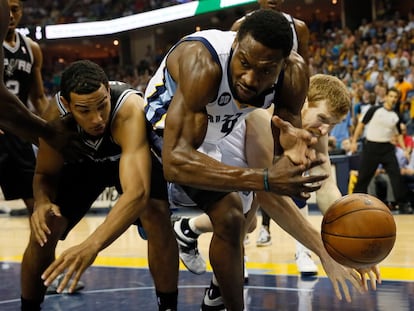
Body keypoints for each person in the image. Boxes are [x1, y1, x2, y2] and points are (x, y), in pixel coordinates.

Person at [145, 10, 376, 310]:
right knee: (233, 215)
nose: (251, 79)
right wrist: (323, 251)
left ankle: (212, 277)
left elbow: (315, 187)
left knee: (245, 222)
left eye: (266, 70)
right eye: (244, 63)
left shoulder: (294, 88)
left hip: (220, 128)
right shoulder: (215, 75)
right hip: (168, 129)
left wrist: (346, 245)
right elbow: (179, 163)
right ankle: (192, 259)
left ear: (283, 66)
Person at [172, 74, 361, 286]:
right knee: (238, 220)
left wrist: (351, 238)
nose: (325, 130)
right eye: (324, 119)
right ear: (304, 101)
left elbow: (326, 185)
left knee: (249, 223)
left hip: (254, 173)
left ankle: (187, 229)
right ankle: (220, 285)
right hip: (210, 156)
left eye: (333, 125)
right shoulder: (265, 114)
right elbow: (267, 194)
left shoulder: (317, 131)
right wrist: (325, 252)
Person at [20, 60, 178, 311]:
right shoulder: (54, 115)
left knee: (156, 214)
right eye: (84, 110)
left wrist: (92, 244)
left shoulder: (128, 109)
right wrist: (42, 201)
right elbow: (44, 174)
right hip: (81, 165)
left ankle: (168, 307)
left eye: (102, 105)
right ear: (67, 105)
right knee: (44, 229)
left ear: (107, 91)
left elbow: (137, 193)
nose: (97, 119)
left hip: (125, 161)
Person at [0, 0, 88, 159]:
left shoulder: (31, 48)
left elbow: (39, 97)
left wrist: (54, 125)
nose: (10, 16)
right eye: (7, 11)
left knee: (27, 181)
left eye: (14, 10)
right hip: (4, 121)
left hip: (22, 125)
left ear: (22, 11)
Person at [350, 87, 413, 214]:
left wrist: (405, 149)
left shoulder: (396, 116)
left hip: (387, 149)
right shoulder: (374, 110)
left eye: (395, 97)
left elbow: (399, 134)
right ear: (386, 97)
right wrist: (354, 142)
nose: (393, 99)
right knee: (364, 176)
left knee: (396, 175)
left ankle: (402, 204)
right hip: (371, 147)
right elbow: (361, 125)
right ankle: (353, 203)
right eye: (391, 96)